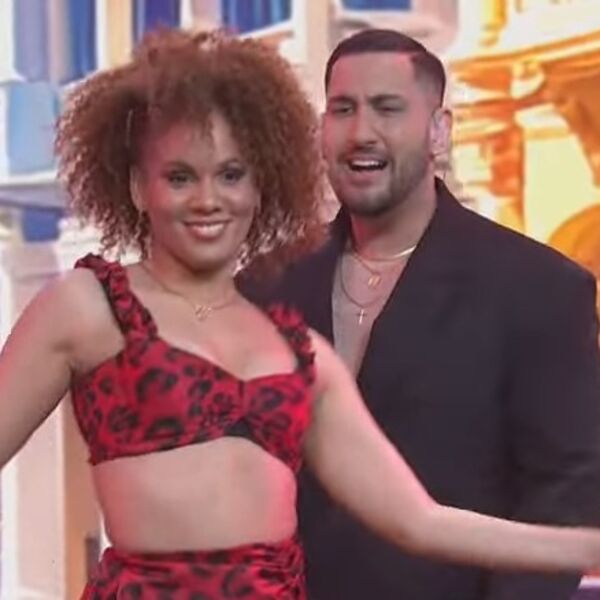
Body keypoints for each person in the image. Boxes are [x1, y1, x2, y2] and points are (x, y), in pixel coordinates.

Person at [1, 27, 600, 600]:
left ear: (259, 186)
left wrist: (586, 545)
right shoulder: (93, 305)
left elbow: (420, 520)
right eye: (179, 177)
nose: (208, 199)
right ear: (137, 187)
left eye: (230, 175)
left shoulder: (294, 345)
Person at [241, 28, 600, 600]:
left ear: (439, 131)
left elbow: (564, 492)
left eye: (388, 108)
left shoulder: (540, 289)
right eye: (344, 109)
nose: (362, 132)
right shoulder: (266, 286)